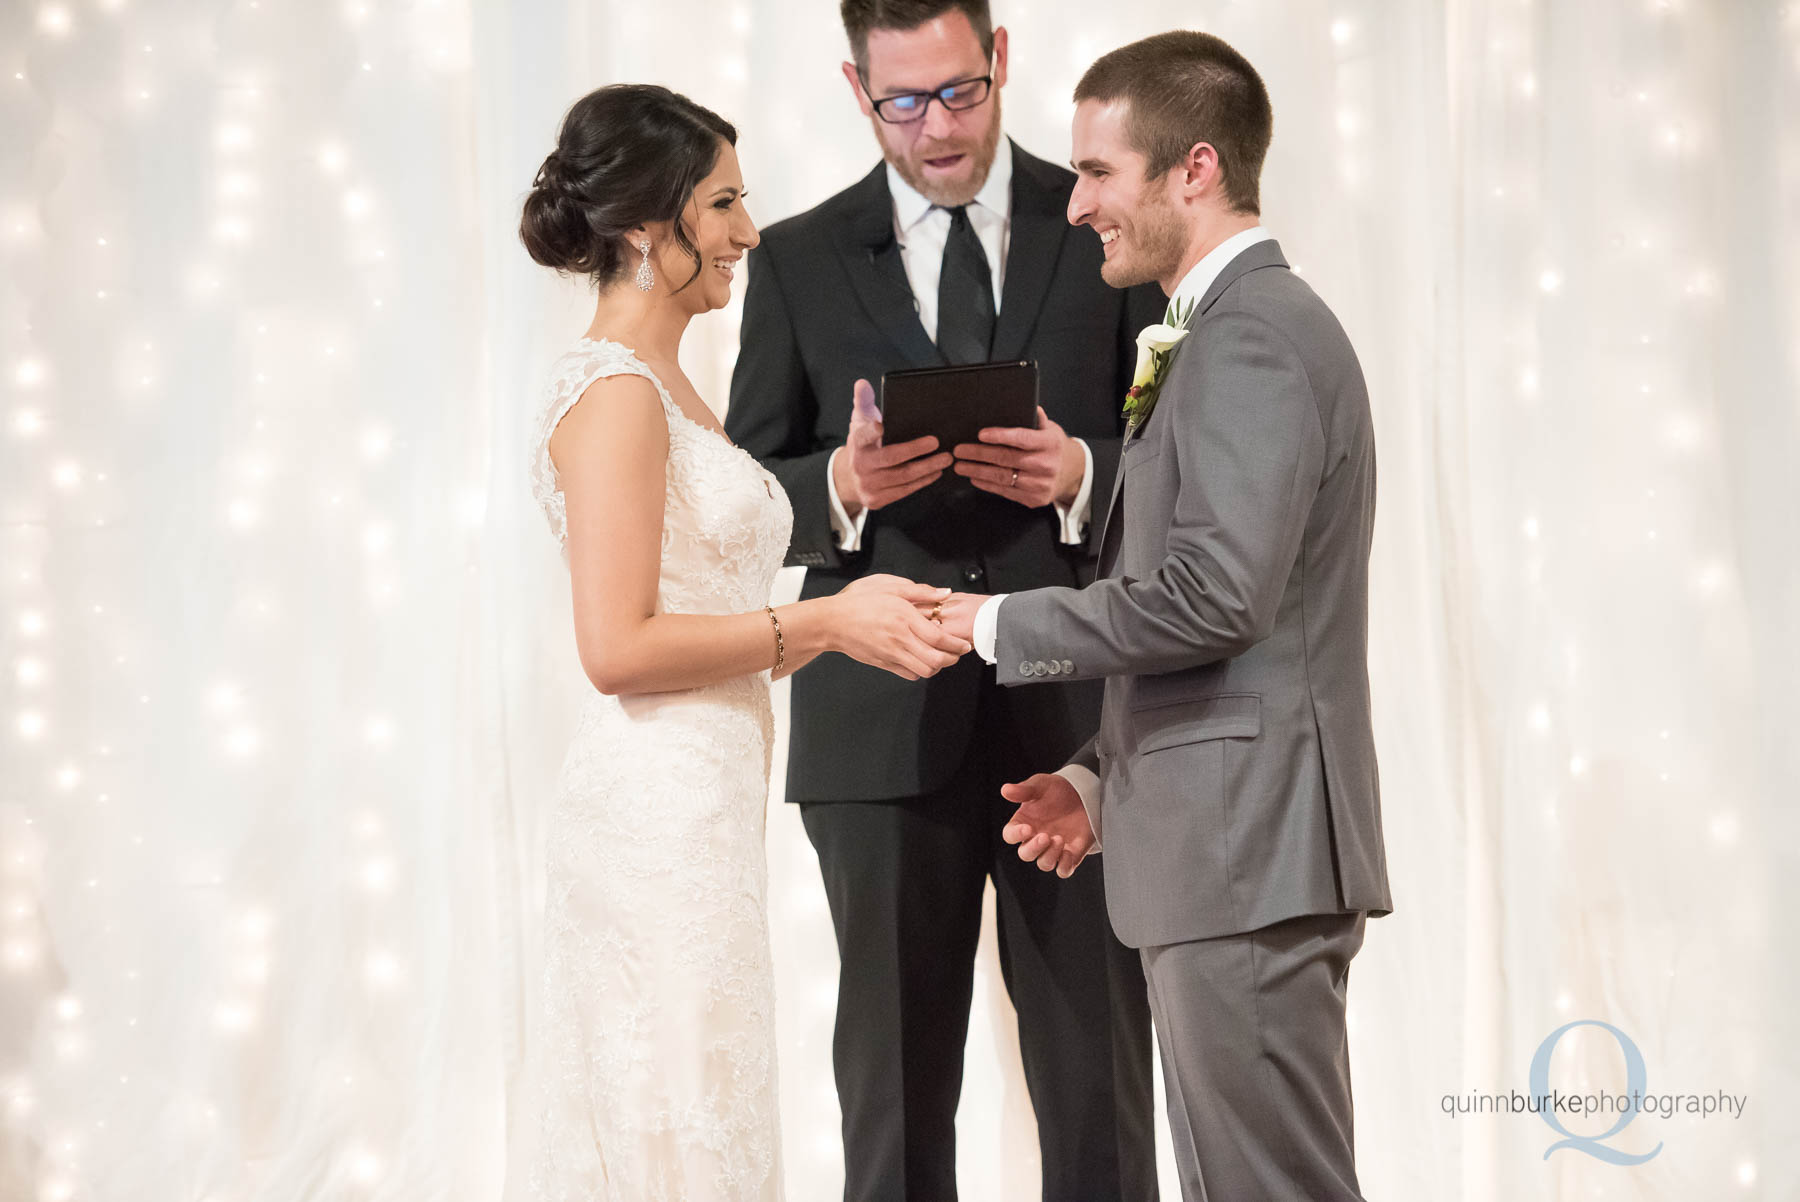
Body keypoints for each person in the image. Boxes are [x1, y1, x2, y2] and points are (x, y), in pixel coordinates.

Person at [937, 31, 1394, 1202]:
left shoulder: (1251, 336)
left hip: (1246, 856)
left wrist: (991, 627)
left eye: (1099, 172)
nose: (1076, 200)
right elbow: (1239, 626)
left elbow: (1217, 593)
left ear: (1194, 168)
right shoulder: (1218, 331)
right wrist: (1099, 776)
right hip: (1216, 851)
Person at [723, 3, 1161, 1199]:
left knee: (1101, 1085)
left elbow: (1181, 456)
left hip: (1076, 724)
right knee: (896, 1094)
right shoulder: (801, 255)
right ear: (857, 89)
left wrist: (1084, 476)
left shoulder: (1102, 230)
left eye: (960, 93)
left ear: (1002, 59)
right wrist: (843, 489)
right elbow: (745, 484)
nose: (939, 127)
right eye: (903, 101)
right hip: (877, 725)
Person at [517, 84, 970, 1200]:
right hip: (654, 814)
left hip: (708, 805)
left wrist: (865, 610)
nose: (749, 233)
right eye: (721, 204)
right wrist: (823, 618)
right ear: (642, 224)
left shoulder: (674, 384)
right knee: (674, 1115)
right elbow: (617, 645)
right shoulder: (618, 392)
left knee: (708, 1109)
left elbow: (705, 594)